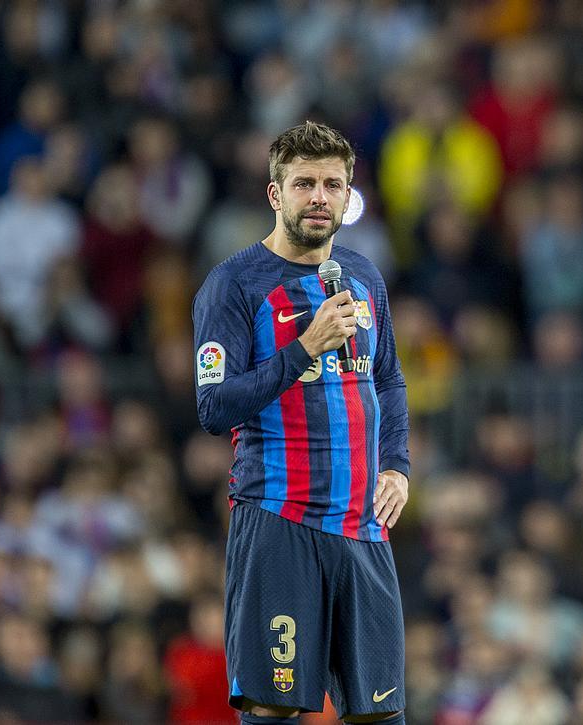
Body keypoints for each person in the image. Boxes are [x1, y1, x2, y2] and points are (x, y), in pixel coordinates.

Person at [193, 120, 410, 725]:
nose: (320, 196)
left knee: (379, 713)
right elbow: (214, 407)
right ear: (275, 193)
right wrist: (303, 350)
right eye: (305, 183)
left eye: (333, 185)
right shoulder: (233, 284)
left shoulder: (364, 279)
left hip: (363, 527)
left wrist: (397, 465)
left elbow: (388, 379)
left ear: (347, 195)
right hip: (278, 521)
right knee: (273, 708)